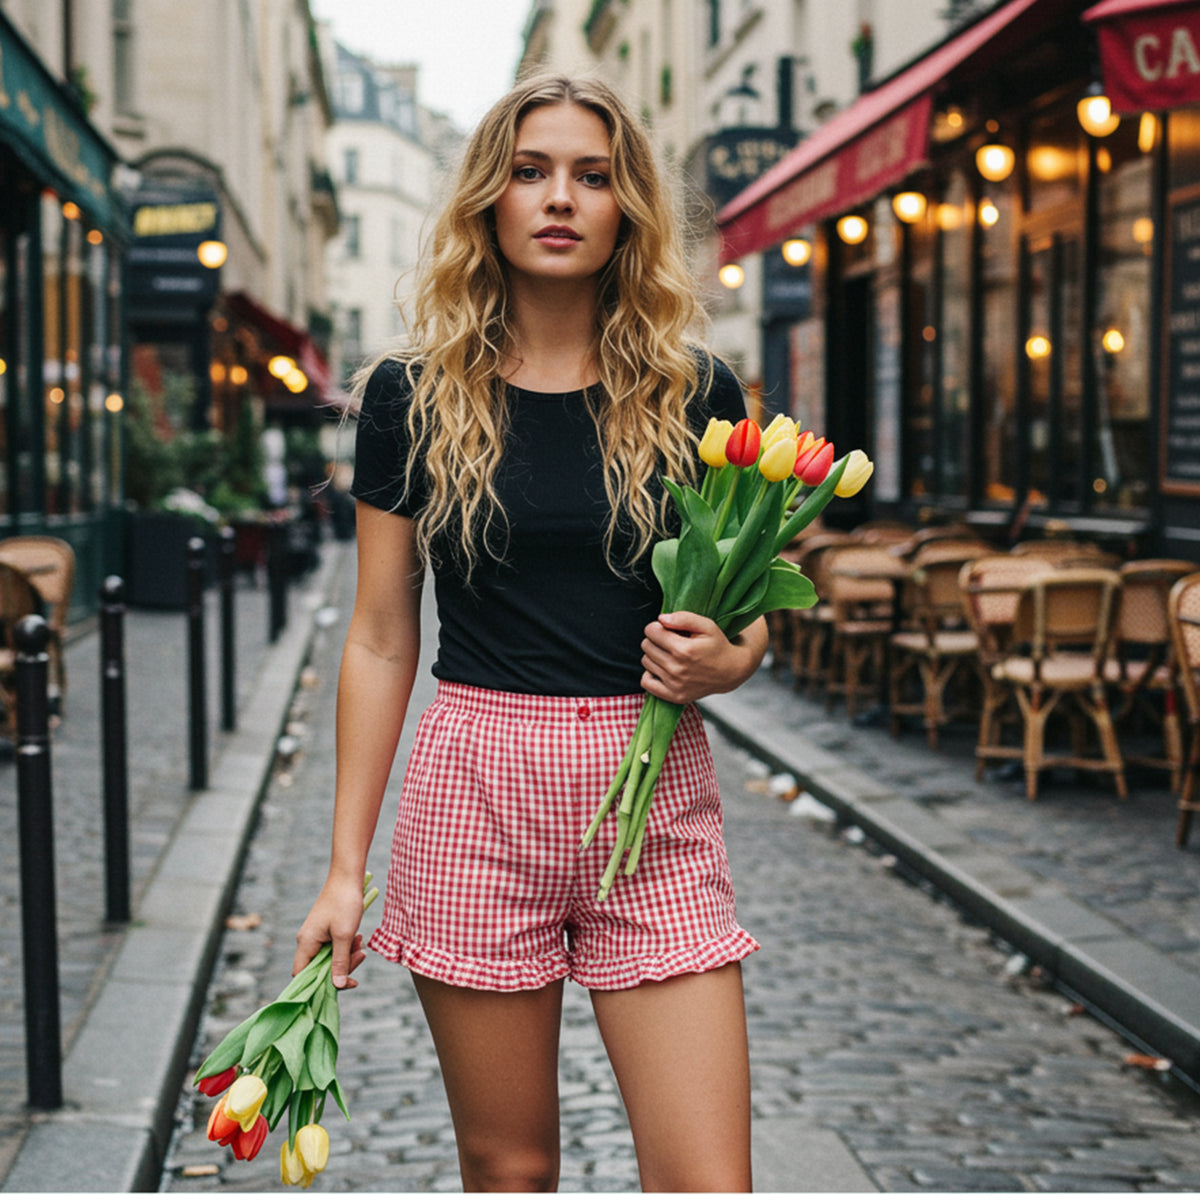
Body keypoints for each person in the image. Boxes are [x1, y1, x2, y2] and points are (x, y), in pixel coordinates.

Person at [293, 73, 766, 1193]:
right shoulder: (412, 397)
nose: (561, 199)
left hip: (652, 804)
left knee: (710, 1180)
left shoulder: (700, 395)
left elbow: (744, 623)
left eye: (592, 177)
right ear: (488, 202)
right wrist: (344, 871)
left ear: (627, 211)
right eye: (531, 170)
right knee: (510, 1172)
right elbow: (378, 637)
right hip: (474, 797)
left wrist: (726, 661)